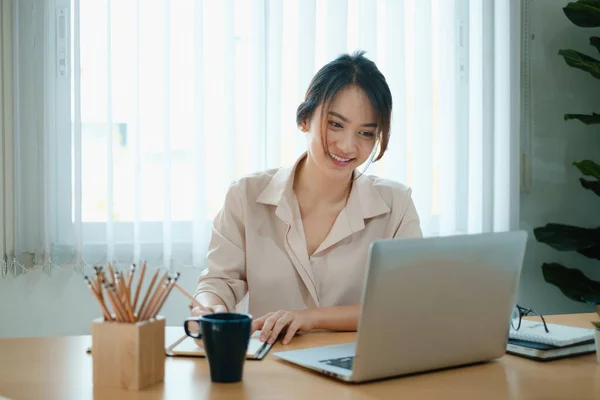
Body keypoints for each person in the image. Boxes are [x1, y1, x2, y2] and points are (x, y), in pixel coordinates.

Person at [191, 50, 422, 346]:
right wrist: (209, 305)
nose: (348, 145)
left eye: (365, 133)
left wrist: (310, 318)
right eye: (335, 124)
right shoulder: (246, 195)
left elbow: (402, 305)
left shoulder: (397, 205)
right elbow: (219, 281)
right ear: (304, 118)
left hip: (358, 367)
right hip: (272, 367)